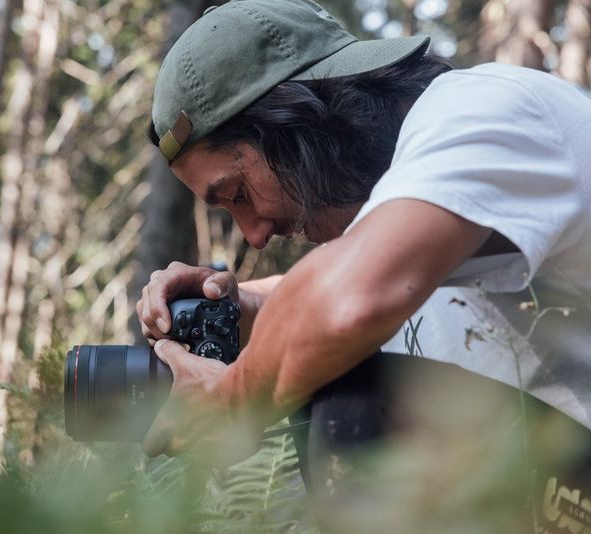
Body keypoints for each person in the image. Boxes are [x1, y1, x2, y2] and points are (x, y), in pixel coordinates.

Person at [135, 0, 591, 524]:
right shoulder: (408, 223)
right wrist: (241, 306)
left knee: (352, 402)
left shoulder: (483, 108)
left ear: (297, 118)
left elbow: (347, 301)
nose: (255, 235)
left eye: (238, 194)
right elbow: (345, 280)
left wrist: (232, 401)